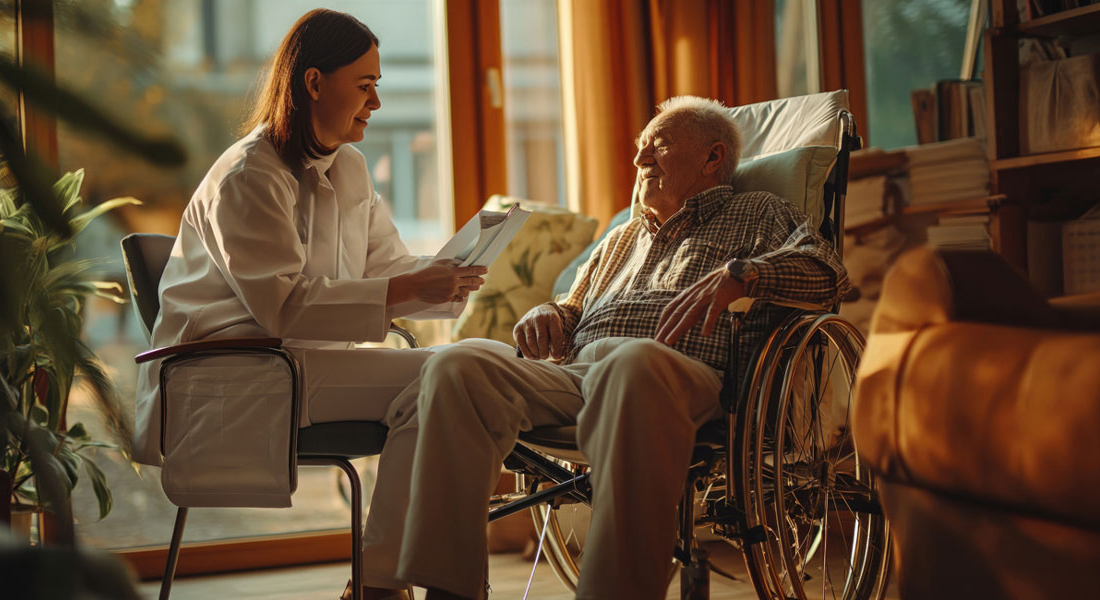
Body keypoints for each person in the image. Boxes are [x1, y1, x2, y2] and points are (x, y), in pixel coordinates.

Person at [357, 96, 850, 599]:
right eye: (640, 148)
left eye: (658, 146)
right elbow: (573, 307)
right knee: (457, 365)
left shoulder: (759, 212)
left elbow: (829, 273)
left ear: (712, 157)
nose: (640, 159)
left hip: (682, 372)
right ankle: (453, 590)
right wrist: (551, 313)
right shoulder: (621, 238)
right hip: (580, 376)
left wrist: (745, 275)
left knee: (633, 365)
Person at [132, 9, 486, 506]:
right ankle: (395, 554)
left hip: (298, 367)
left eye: (376, 86)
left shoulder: (350, 167)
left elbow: (385, 269)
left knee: (465, 368)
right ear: (315, 83)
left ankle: (391, 552)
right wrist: (412, 287)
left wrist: (451, 275)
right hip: (236, 375)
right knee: (454, 375)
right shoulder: (248, 176)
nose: (376, 102)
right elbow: (284, 308)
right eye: (365, 86)